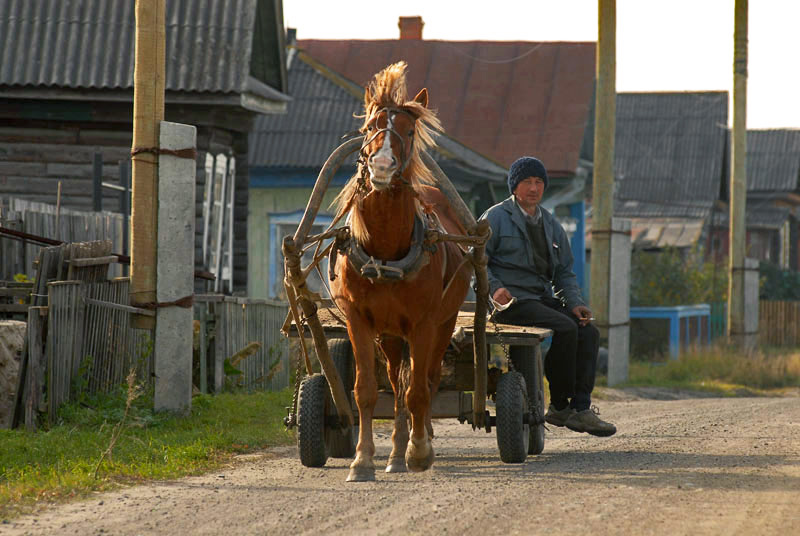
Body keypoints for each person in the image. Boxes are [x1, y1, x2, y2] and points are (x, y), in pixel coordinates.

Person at [479, 156, 616, 437]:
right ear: (514, 186)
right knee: (565, 328)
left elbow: (564, 272)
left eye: (539, 182)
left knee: (587, 331)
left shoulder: (551, 224)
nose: (533, 188)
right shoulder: (494, 217)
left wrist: (575, 303)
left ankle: (581, 409)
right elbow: (477, 262)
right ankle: (560, 405)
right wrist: (494, 288)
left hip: (541, 299)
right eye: (527, 181)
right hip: (511, 303)